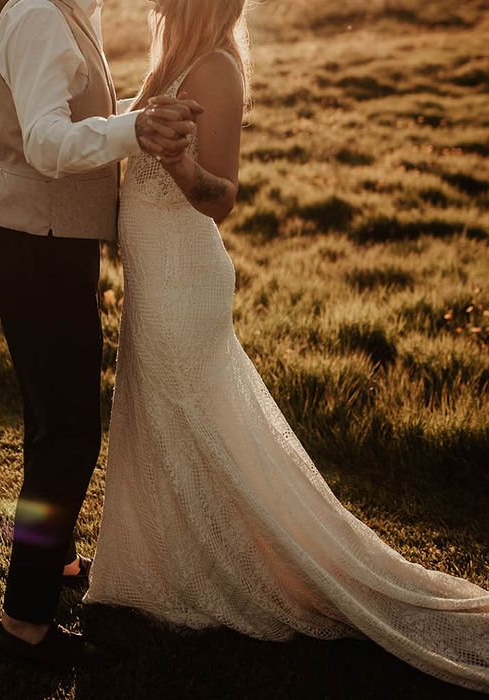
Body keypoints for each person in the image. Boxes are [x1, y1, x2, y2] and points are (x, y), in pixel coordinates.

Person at [81, 0, 489, 692]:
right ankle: (170, 564)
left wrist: (180, 166)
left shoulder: (215, 68)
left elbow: (222, 197)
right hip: (155, 282)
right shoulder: (168, 60)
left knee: (200, 426)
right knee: (163, 420)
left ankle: (238, 569)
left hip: (186, 281)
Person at [0, 0, 203, 671]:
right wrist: (135, 130)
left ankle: (60, 558)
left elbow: (74, 116)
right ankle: (24, 625)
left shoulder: (75, 10)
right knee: (71, 430)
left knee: (50, 423)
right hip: (38, 248)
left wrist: (136, 120)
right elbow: (47, 143)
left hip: (50, 245)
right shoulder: (43, 16)